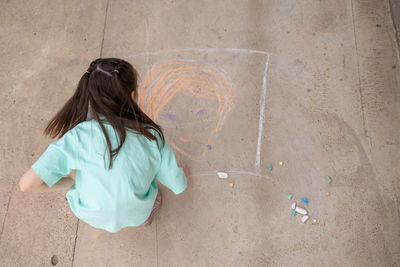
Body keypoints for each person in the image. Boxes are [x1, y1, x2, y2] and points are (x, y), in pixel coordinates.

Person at [18, 58, 189, 233]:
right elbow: (177, 184)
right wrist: (182, 174)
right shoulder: (151, 135)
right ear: (132, 96)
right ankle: (144, 218)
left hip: (91, 214)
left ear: (89, 95)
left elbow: (26, 184)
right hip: (136, 213)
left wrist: (70, 180)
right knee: (151, 197)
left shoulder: (76, 137)